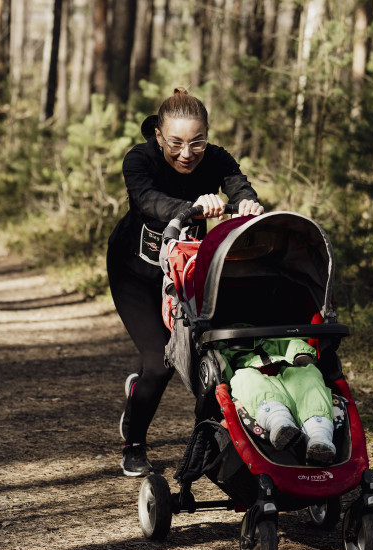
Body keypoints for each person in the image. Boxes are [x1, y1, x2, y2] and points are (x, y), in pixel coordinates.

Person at [107, 87, 263, 477]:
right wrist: (190, 209)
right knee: (158, 363)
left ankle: (219, 444)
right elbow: (147, 201)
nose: (186, 153)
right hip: (135, 274)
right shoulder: (139, 160)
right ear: (158, 136)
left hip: (186, 274)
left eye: (197, 142)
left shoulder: (216, 159)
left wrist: (246, 203)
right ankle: (135, 442)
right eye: (175, 143)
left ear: (207, 136)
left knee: (208, 358)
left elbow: (239, 184)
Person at [224, 336, 336, 464]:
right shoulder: (227, 342)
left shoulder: (275, 333)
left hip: (286, 367)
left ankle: (319, 436)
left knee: (308, 376)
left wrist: (301, 354)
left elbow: (292, 342)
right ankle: (280, 424)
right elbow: (222, 364)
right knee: (246, 379)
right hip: (248, 370)